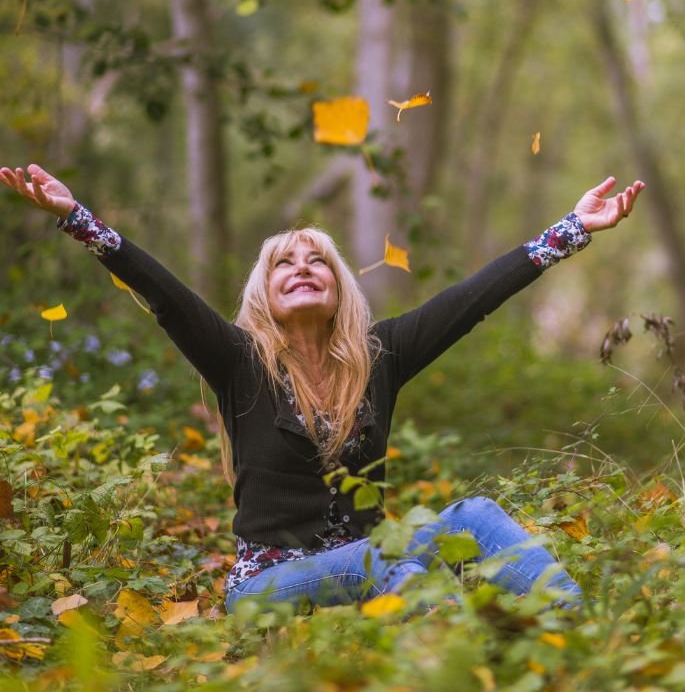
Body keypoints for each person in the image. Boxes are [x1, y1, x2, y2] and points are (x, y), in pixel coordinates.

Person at [0, 163, 644, 614]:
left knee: (472, 518)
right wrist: (77, 218)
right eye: (284, 263)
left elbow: (472, 298)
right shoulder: (239, 362)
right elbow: (163, 294)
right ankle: (455, 658)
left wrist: (573, 228)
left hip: (373, 558)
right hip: (269, 583)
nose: (302, 268)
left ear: (339, 289)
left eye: (318, 262)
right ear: (264, 293)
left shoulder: (379, 357)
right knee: (389, 565)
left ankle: (576, 630)